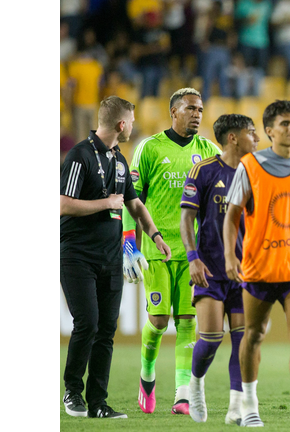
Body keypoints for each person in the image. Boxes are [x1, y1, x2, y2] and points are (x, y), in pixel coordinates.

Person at [61, 96, 171, 419]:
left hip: (110, 257)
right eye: (132, 122)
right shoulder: (79, 156)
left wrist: (155, 235)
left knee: (107, 329)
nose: (133, 127)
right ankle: (71, 392)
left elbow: (134, 204)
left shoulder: (120, 160)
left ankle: (97, 402)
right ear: (121, 125)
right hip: (77, 255)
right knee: (88, 323)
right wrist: (105, 204)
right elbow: (63, 204)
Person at [222, 100, 290, 427]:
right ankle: (249, 407)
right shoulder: (249, 166)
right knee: (253, 335)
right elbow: (232, 215)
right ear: (269, 130)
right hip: (259, 267)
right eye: (284, 123)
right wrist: (229, 255)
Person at [125, 87, 222, 415]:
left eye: (200, 109)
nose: (197, 114)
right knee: (158, 321)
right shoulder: (149, 149)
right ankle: (147, 374)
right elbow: (131, 199)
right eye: (191, 108)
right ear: (174, 112)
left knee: (187, 323)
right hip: (157, 250)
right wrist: (130, 244)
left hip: (194, 254)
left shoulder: (209, 151)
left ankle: (182, 394)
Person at [180, 114, 260, 424]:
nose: (256, 138)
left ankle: (235, 408)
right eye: (251, 133)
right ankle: (196, 384)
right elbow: (187, 218)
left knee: (243, 340)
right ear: (233, 138)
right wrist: (192, 257)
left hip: (244, 272)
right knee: (211, 338)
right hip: (210, 269)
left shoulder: (256, 173)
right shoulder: (205, 170)